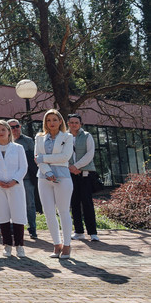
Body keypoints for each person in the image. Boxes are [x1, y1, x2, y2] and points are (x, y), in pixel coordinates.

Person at [0, 120, 29, 257]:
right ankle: (7, 245)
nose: (0, 132)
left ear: (9, 131)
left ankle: (20, 245)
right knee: (2, 215)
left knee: (18, 215)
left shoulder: (18, 148)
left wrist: (14, 181)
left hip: (15, 185)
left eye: (3, 129)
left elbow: (23, 167)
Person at [35, 109, 75, 259]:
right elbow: (37, 158)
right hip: (44, 177)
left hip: (63, 177)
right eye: (48, 120)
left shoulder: (67, 137)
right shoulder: (39, 137)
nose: (51, 123)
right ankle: (56, 244)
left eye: (54, 119)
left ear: (60, 121)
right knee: (48, 212)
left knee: (63, 211)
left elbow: (65, 157)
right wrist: (48, 172)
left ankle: (67, 245)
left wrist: (43, 158)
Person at [68, 114, 100, 242]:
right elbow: (62, 154)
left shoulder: (87, 136)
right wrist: (70, 167)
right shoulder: (64, 137)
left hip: (85, 174)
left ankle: (93, 233)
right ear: (68, 124)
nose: (74, 124)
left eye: (76, 122)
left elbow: (90, 154)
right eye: (72, 122)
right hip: (70, 173)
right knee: (74, 203)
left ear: (80, 124)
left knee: (87, 203)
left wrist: (76, 166)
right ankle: (79, 231)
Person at [9, 119, 38, 240]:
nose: (15, 129)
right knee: (11, 204)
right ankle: (12, 228)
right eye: (12, 127)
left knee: (30, 204)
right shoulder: (5, 142)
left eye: (17, 126)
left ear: (20, 127)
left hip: (26, 178)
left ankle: (32, 228)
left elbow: (34, 160)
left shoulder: (28, 141)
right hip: (10, 179)